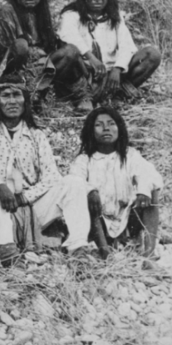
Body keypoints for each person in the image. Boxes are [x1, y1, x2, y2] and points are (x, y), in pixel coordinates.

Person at [0, 76, 94, 267]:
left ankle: (78, 248)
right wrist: (1, 187)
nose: (11, 101)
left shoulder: (36, 135)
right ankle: (8, 250)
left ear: (25, 101)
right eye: (5, 96)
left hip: (32, 210)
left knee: (73, 183)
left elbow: (51, 176)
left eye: (17, 95)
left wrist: (24, 197)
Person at [69, 107, 163, 267]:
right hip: (98, 220)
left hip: (127, 218)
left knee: (151, 192)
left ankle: (149, 255)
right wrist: (90, 190)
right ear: (91, 131)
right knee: (88, 198)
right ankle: (104, 250)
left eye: (111, 123)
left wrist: (143, 191)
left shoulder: (130, 155)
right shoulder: (85, 160)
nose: (106, 128)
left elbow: (148, 173)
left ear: (119, 128)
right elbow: (74, 180)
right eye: (99, 125)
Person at [57, 0, 162, 110]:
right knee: (70, 52)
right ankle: (82, 96)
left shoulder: (114, 16)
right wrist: (91, 57)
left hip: (111, 76)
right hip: (85, 74)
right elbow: (70, 37)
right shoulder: (71, 15)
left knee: (152, 54)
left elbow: (127, 45)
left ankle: (117, 95)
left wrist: (118, 68)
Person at [0, 0, 84, 108]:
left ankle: (40, 93)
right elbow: (5, 54)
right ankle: (28, 92)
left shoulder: (40, 12)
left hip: (42, 67)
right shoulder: (7, 11)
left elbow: (49, 46)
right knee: (21, 45)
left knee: (71, 51)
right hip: (18, 68)